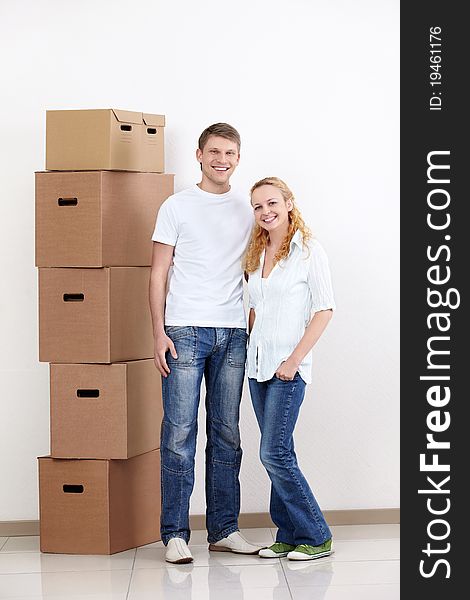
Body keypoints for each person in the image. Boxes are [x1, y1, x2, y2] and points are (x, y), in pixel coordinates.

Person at [149, 123, 261, 564]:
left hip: (233, 333)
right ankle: (175, 533)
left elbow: (259, 268)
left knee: (227, 434)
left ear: (238, 157)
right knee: (178, 434)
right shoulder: (176, 206)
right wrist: (157, 332)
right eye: (214, 151)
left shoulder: (247, 208)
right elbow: (158, 273)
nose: (222, 159)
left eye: (230, 153)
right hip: (183, 331)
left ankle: (224, 529)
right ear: (198, 155)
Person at [243, 176, 335, 561]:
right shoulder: (255, 253)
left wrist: (294, 360)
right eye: (258, 207)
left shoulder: (309, 251)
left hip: (288, 369)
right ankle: (287, 533)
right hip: (257, 366)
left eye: (272, 204)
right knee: (280, 452)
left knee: (273, 453)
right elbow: (253, 309)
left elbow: (324, 309)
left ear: (289, 204)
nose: (266, 212)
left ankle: (316, 535)